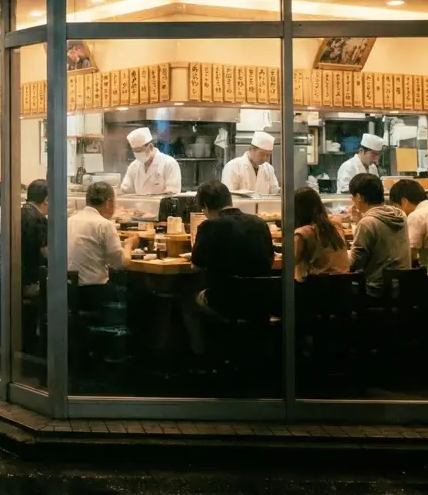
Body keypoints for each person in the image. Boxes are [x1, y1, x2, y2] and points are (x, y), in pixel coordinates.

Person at [184, 181, 275, 356]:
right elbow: (270, 260)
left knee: (187, 299)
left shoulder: (209, 226)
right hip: (261, 302)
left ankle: (203, 357)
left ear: (204, 207)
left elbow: (196, 265)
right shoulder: (259, 223)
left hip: (225, 302)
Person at [347, 173, 410, 298]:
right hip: (403, 286)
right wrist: (360, 219)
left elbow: (355, 262)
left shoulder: (368, 222)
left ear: (359, 197)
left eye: (353, 197)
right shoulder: (400, 214)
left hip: (377, 290)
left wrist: (342, 253)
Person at [68, 181, 139, 287]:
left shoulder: (69, 221)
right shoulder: (105, 225)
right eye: (115, 202)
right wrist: (129, 245)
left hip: (69, 288)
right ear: (108, 202)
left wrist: (121, 244)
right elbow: (121, 264)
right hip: (94, 291)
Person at [292, 187, 350, 281]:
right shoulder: (336, 226)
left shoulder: (302, 233)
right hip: (343, 290)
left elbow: (290, 263)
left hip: (315, 291)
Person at [120, 127, 181, 195]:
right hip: (137, 205)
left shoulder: (169, 163)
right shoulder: (133, 166)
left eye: (139, 150)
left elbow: (172, 194)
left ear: (151, 147)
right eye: (135, 151)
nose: (137, 154)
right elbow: (125, 191)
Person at [20, 180, 49, 286]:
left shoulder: (18, 212)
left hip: (17, 274)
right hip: (33, 277)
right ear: (46, 200)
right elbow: (46, 252)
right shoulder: (40, 219)